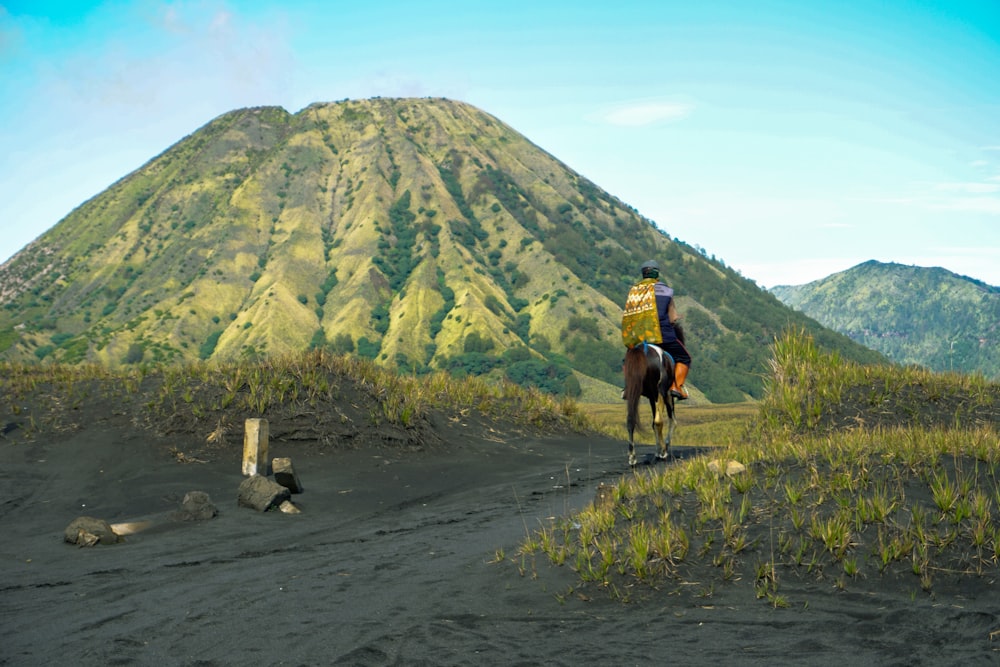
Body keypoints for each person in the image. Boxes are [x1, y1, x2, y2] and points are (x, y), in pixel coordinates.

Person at [624, 260, 692, 399]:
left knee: (628, 360)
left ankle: (627, 387)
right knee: (684, 358)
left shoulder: (634, 291)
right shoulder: (666, 291)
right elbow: (672, 318)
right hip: (664, 337)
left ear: (643, 274)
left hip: (641, 337)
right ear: (657, 273)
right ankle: (677, 387)